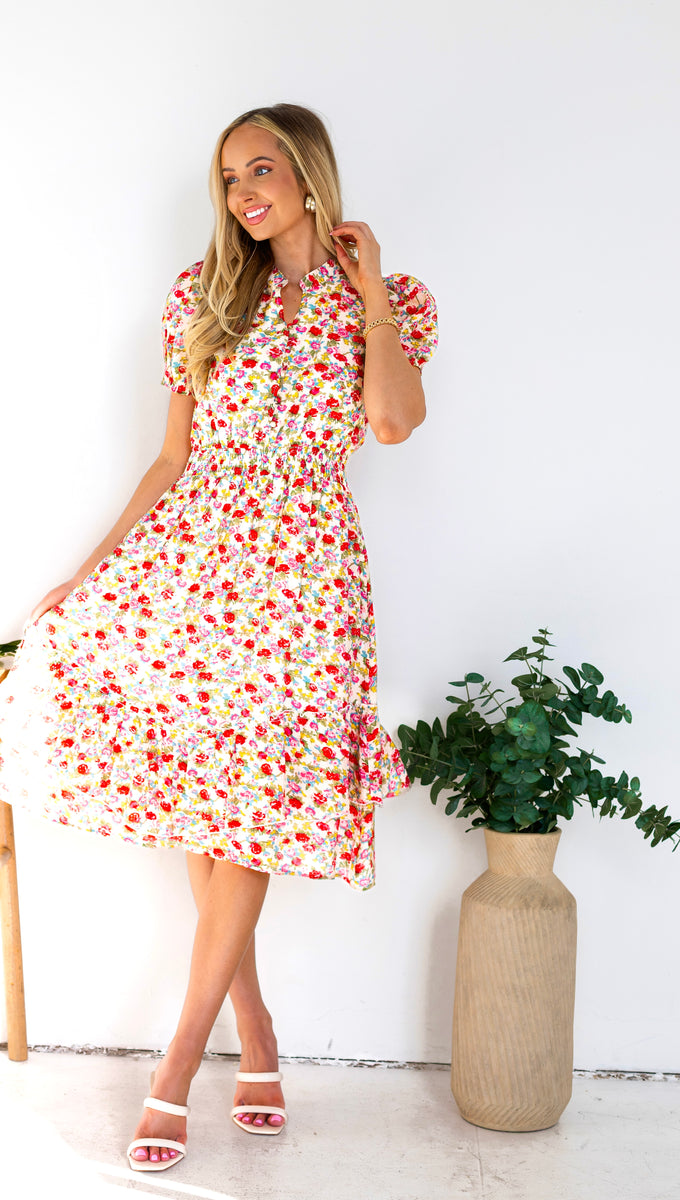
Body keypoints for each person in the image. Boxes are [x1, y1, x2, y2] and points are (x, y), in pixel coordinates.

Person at [0, 102, 437, 1172]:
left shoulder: (389, 301)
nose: (243, 194)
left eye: (261, 170)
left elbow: (391, 423)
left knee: (251, 810)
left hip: (304, 576)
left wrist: (373, 289)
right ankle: (258, 1033)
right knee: (210, 809)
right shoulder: (203, 296)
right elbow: (170, 460)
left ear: (308, 174)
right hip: (195, 563)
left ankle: (177, 1066)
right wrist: (90, 574)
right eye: (230, 178)